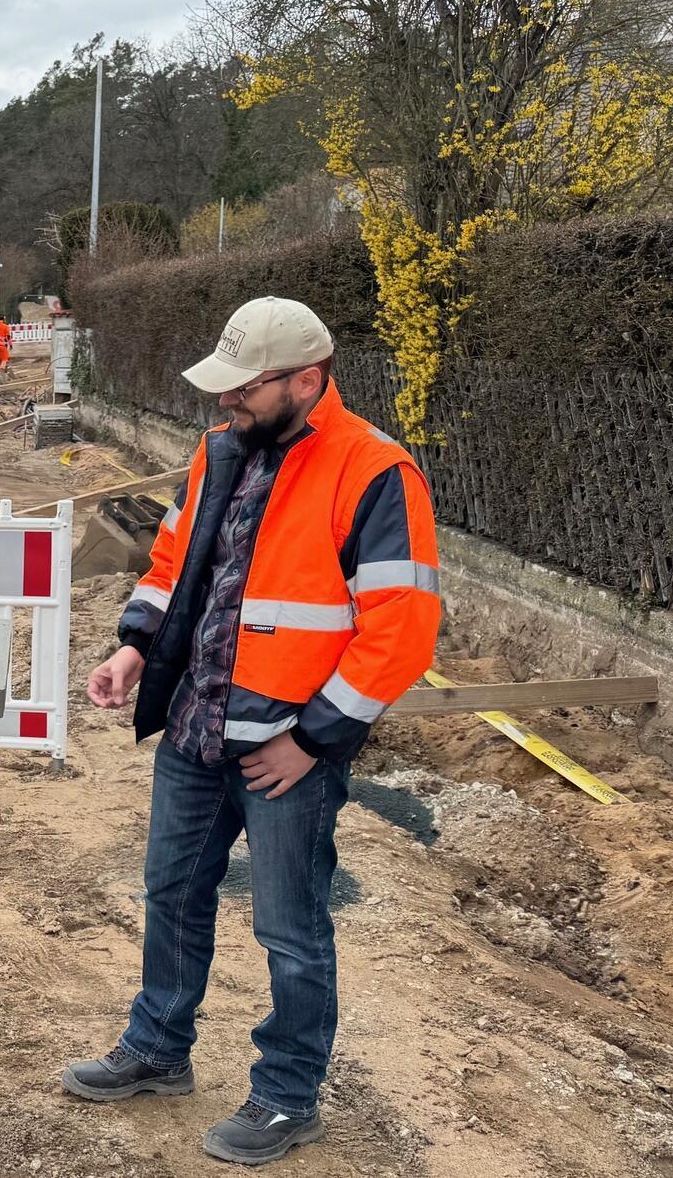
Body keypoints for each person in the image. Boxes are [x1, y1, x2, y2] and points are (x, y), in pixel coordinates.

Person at [65, 297, 441, 1166]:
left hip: (286, 755)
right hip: (197, 732)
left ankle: (286, 1096)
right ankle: (158, 1048)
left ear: (307, 381)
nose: (225, 401)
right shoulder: (218, 450)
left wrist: (312, 740)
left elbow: (402, 629)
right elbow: (174, 563)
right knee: (171, 896)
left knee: (290, 930)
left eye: (243, 387)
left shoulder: (376, 472)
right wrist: (134, 649)